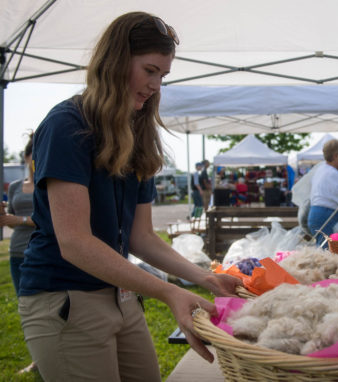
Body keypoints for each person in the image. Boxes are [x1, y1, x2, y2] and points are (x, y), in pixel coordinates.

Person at [17, 12, 241, 382]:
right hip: (65, 298)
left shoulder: (137, 133)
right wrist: (169, 292)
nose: (155, 85)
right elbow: (74, 242)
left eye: (163, 76)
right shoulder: (66, 126)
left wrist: (205, 278)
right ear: (116, 62)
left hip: (120, 295)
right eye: (149, 70)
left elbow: (141, 237)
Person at [0, 133, 37, 374]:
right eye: (33, 158)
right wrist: (5, 219)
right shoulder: (15, 186)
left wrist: (20, 219)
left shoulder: (49, 184)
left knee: (41, 305)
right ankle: (36, 357)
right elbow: (11, 221)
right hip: (17, 252)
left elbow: (52, 220)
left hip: (40, 252)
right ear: (25, 158)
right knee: (24, 306)